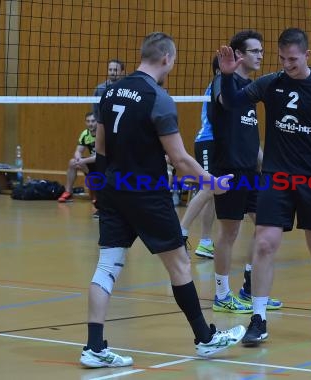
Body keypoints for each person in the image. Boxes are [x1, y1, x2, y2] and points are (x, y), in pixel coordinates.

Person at [80, 32, 245, 369]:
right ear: (168, 59)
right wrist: (212, 182)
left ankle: (93, 347)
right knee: (180, 264)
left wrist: (99, 193)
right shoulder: (158, 98)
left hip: (114, 187)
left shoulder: (109, 91)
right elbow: (180, 159)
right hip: (147, 194)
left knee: (107, 266)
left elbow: (99, 150)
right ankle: (206, 338)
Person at [217, 27, 311, 346]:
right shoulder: (271, 82)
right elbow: (231, 103)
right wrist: (228, 76)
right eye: (282, 58)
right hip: (276, 177)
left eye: (292, 59)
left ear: (307, 55)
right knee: (264, 243)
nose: (286, 64)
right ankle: (258, 318)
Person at [209, 30, 282, 314]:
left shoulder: (250, 90)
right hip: (228, 168)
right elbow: (226, 102)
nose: (261, 55)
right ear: (238, 55)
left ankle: (250, 289)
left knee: (265, 226)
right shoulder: (222, 82)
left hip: (251, 171)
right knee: (229, 232)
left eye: (262, 50)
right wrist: (227, 76)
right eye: (254, 51)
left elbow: (249, 134)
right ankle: (222, 295)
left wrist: (266, 165)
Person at [180, 56, 220, 259]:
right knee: (209, 187)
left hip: (218, 144)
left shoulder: (227, 85)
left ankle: (205, 242)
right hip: (208, 141)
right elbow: (215, 119)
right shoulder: (218, 84)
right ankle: (180, 233)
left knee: (213, 192)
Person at [58, 112, 97, 208]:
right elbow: (78, 151)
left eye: (93, 121)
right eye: (88, 121)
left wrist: (83, 161)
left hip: (103, 163)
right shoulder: (85, 134)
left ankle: (97, 192)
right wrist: (78, 158)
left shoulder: (102, 133)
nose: (90, 124)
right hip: (91, 161)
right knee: (72, 162)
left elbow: (99, 157)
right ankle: (68, 192)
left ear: (97, 122)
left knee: (83, 163)